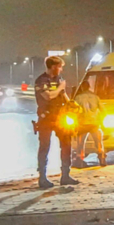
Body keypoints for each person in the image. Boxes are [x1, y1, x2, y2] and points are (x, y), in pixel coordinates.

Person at [35, 55, 78, 188]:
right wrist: (60, 88)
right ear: (53, 66)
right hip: (46, 118)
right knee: (44, 147)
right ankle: (42, 178)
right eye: (59, 67)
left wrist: (72, 104)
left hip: (60, 117)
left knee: (66, 145)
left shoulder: (60, 79)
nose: (61, 70)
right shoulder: (41, 80)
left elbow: (64, 96)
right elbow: (48, 96)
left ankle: (65, 175)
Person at [73, 78, 106, 167]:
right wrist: (100, 120)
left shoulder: (78, 98)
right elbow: (103, 111)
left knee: (80, 144)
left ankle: (79, 160)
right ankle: (102, 159)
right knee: (98, 143)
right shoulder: (96, 97)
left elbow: (74, 111)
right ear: (89, 87)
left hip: (82, 124)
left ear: (82, 88)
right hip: (94, 124)